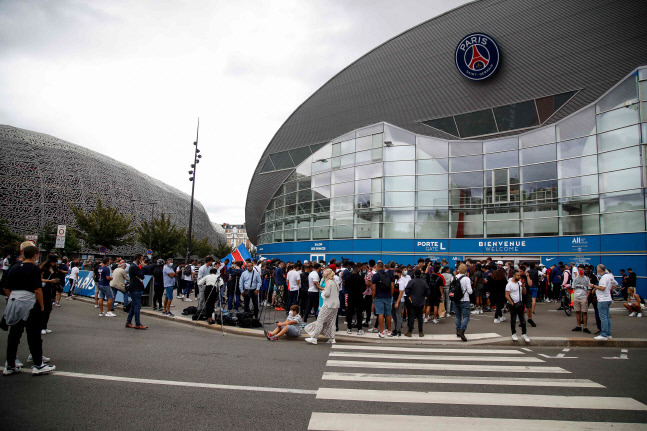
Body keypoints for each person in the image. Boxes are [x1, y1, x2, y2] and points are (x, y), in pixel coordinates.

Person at [3, 244, 56, 376]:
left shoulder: (14, 266)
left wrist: (12, 298)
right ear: (35, 255)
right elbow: (38, 290)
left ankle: (10, 363)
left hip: (15, 300)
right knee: (33, 334)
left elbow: (5, 286)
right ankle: (38, 364)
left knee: (14, 333)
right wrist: (42, 306)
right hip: (30, 302)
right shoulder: (34, 268)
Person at [304, 268, 339, 345]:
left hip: (328, 304)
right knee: (332, 322)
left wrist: (323, 291)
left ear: (326, 275)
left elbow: (327, 294)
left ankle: (314, 337)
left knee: (320, 320)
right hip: (335, 304)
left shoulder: (328, 282)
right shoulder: (335, 281)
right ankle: (332, 338)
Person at [505, 269, 530, 343]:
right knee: (513, 319)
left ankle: (524, 333)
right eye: (518, 275)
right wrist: (511, 302)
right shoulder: (509, 284)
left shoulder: (519, 283)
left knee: (522, 320)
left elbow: (524, 293)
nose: (519, 277)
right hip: (513, 304)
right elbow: (507, 295)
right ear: (513, 276)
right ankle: (514, 333)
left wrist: (523, 287)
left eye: (520, 275)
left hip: (520, 303)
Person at [591, 264, 614, 341]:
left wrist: (594, 286)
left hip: (603, 299)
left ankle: (604, 334)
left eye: (597, 269)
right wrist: (609, 289)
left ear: (599, 269)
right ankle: (608, 334)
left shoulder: (604, 277)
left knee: (603, 317)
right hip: (608, 298)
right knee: (607, 317)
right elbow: (615, 284)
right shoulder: (610, 276)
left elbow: (602, 288)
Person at [404, 268, 430, 337]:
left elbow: (406, 290)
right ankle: (420, 331)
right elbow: (428, 291)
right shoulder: (424, 282)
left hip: (412, 300)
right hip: (421, 301)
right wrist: (425, 296)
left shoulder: (411, 281)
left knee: (411, 316)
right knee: (420, 316)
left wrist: (409, 296)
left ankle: (410, 331)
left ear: (414, 274)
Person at [371, 261, 394, 338]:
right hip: (388, 296)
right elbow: (392, 286)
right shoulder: (389, 275)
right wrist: (390, 295)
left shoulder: (375, 276)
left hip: (379, 296)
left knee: (380, 314)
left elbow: (373, 288)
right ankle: (389, 331)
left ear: (377, 267)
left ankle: (381, 332)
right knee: (388, 314)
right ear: (383, 267)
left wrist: (373, 297)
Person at [125, 254, 148, 329]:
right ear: (138, 259)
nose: (142, 261)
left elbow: (142, 276)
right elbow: (141, 275)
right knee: (138, 306)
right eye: (141, 259)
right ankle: (137, 323)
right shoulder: (134, 267)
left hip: (135, 288)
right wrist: (143, 267)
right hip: (135, 288)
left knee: (133, 306)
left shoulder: (134, 266)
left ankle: (128, 322)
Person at [345, 264, 366, 335]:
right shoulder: (361, 278)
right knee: (359, 313)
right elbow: (364, 288)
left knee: (350, 312)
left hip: (350, 296)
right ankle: (359, 329)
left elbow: (346, 287)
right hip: (359, 297)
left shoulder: (348, 278)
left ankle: (349, 328)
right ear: (358, 270)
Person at [454, 263, 472, 342]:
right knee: (466, 317)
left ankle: (458, 330)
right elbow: (470, 291)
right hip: (464, 299)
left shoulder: (454, 278)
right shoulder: (466, 279)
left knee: (458, 316)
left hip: (456, 299)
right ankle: (462, 330)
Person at [571, 265, 592, 333]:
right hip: (576, 296)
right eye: (579, 270)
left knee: (584, 312)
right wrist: (574, 295)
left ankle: (585, 327)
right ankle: (578, 326)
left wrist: (586, 297)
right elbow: (573, 287)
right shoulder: (576, 278)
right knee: (577, 311)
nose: (581, 271)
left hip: (583, 297)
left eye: (582, 270)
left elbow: (589, 289)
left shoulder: (586, 278)